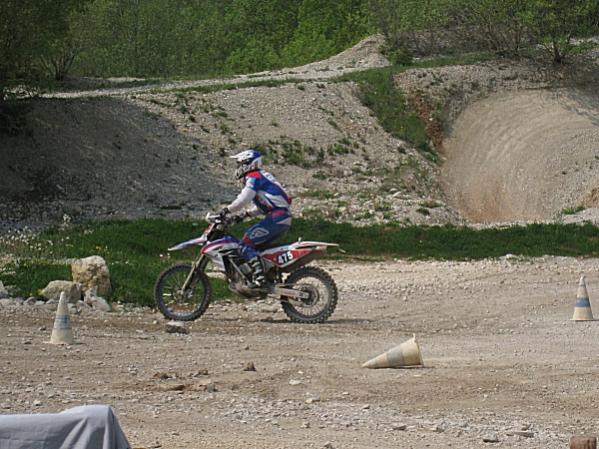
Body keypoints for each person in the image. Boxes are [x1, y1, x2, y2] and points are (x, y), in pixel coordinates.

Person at [218, 149, 292, 288]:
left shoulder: (254, 176)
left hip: (276, 218)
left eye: (240, 164)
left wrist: (226, 210)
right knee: (257, 246)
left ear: (248, 163)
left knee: (246, 242)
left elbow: (244, 199)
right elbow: (265, 205)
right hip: (280, 216)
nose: (238, 167)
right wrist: (245, 215)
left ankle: (259, 279)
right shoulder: (261, 176)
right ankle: (267, 273)